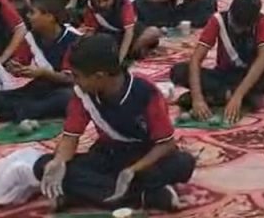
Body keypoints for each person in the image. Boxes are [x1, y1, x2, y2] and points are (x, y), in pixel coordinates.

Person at [34, 34, 195, 212]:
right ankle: (145, 196)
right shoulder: (83, 94)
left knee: (183, 163)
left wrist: (132, 170)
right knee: (43, 166)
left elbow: (166, 144)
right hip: (109, 155)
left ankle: (83, 195)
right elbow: (71, 137)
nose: (74, 81)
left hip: (144, 158)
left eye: (77, 76)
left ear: (99, 76)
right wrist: (59, 161)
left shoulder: (145, 91)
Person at [170, 0, 264, 124]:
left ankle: (220, 97)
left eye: (244, 28)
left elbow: (263, 59)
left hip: (248, 76)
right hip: (222, 76)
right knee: (178, 71)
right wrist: (197, 98)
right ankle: (235, 97)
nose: (239, 30)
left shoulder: (262, 21)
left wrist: (238, 95)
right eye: (237, 25)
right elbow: (196, 60)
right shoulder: (218, 21)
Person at [0, 0, 80, 122]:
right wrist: (14, 68)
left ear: (49, 17)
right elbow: (18, 61)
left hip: (66, 87)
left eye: (32, 13)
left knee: (67, 98)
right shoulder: (31, 37)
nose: (28, 16)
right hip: (42, 86)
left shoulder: (74, 39)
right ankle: (29, 111)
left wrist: (42, 72)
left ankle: (21, 112)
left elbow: (71, 78)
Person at [83, 0, 160, 63]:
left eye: (106, 0)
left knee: (154, 32)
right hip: (108, 35)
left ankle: (131, 52)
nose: (102, 4)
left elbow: (129, 33)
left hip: (129, 32)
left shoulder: (124, 3)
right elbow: (90, 31)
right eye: (98, 1)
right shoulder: (91, 6)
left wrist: (120, 59)